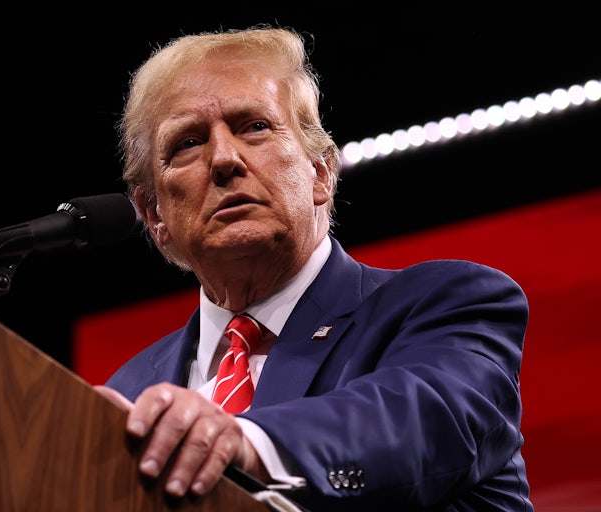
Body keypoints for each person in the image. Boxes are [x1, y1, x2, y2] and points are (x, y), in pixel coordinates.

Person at [94, 24, 534, 511]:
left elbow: (421, 422)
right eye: (188, 143)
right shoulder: (126, 394)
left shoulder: (449, 304)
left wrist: (244, 444)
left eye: (254, 126)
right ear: (154, 215)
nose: (223, 158)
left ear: (321, 172)